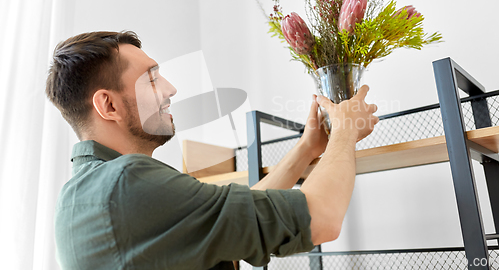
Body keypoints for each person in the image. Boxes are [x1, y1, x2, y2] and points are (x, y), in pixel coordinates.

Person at [45, 31, 378, 270]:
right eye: (151, 79)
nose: (170, 89)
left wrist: (307, 149)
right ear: (108, 105)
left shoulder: (79, 195)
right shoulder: (130, 181)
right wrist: (344, 133)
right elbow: (320, 219)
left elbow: (230, 220)